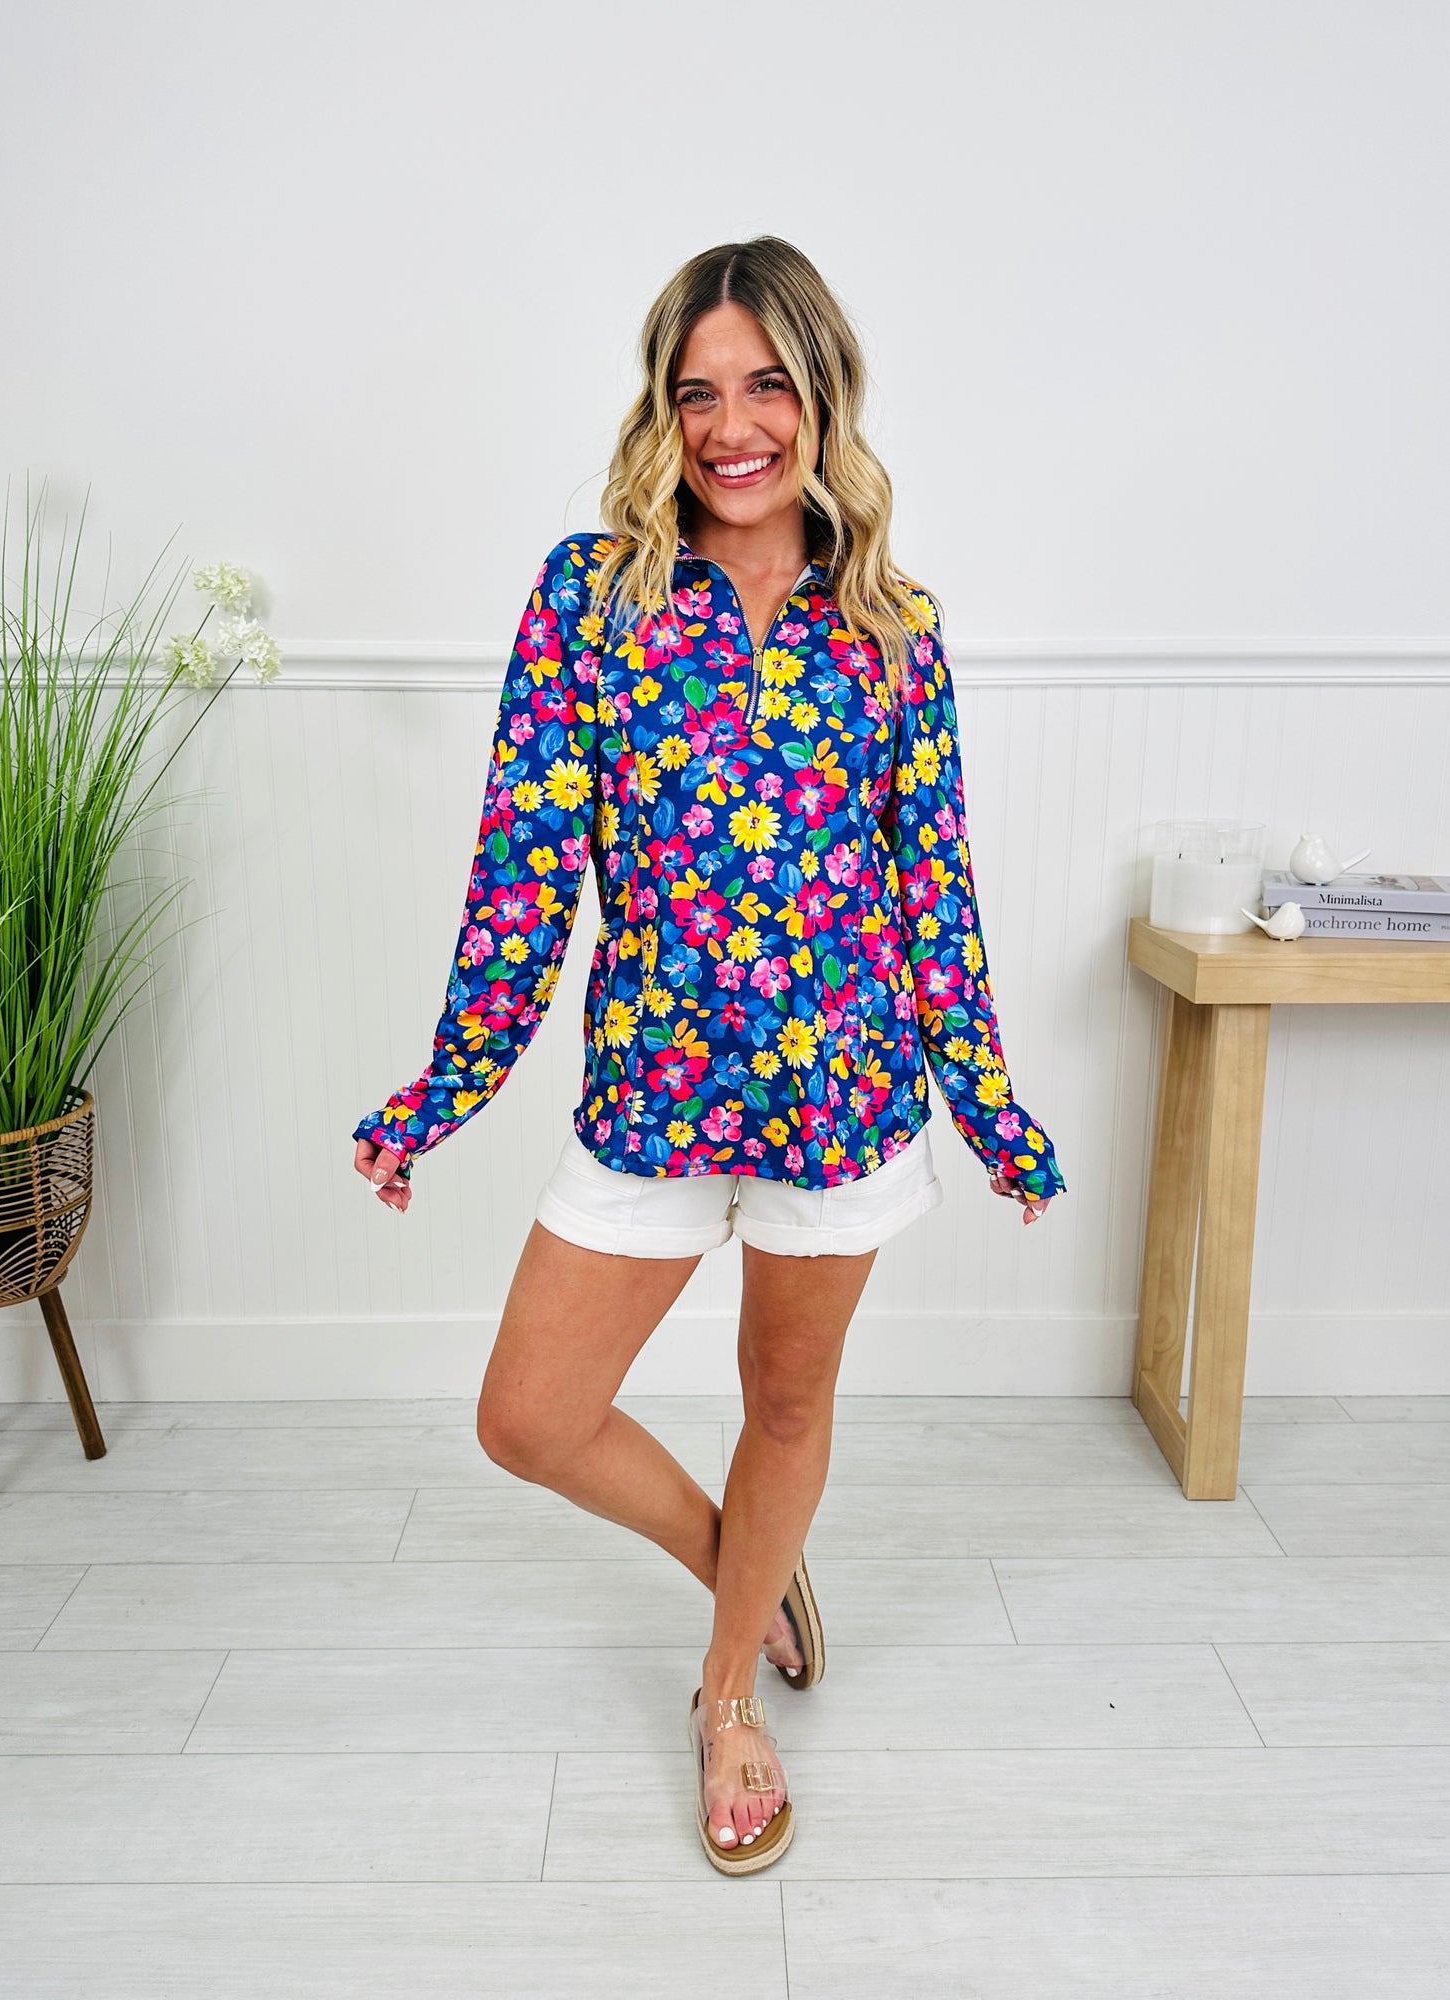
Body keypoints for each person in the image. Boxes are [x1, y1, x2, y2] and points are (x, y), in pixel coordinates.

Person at [352, 235, 1066, 1875]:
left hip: (844, 1104)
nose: (731, 428)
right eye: (696, 394)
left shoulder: (894, 626)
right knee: (528, 1415)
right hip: (653, 1100)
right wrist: (440, 1096)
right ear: (660, 413)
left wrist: (995, 1115)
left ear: (824, 396)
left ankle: (729, 1691)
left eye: (766, 387)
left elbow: (933, 897)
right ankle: (740, 1561)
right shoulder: (591, 597)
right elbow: (524, 873)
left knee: (785, 1398)